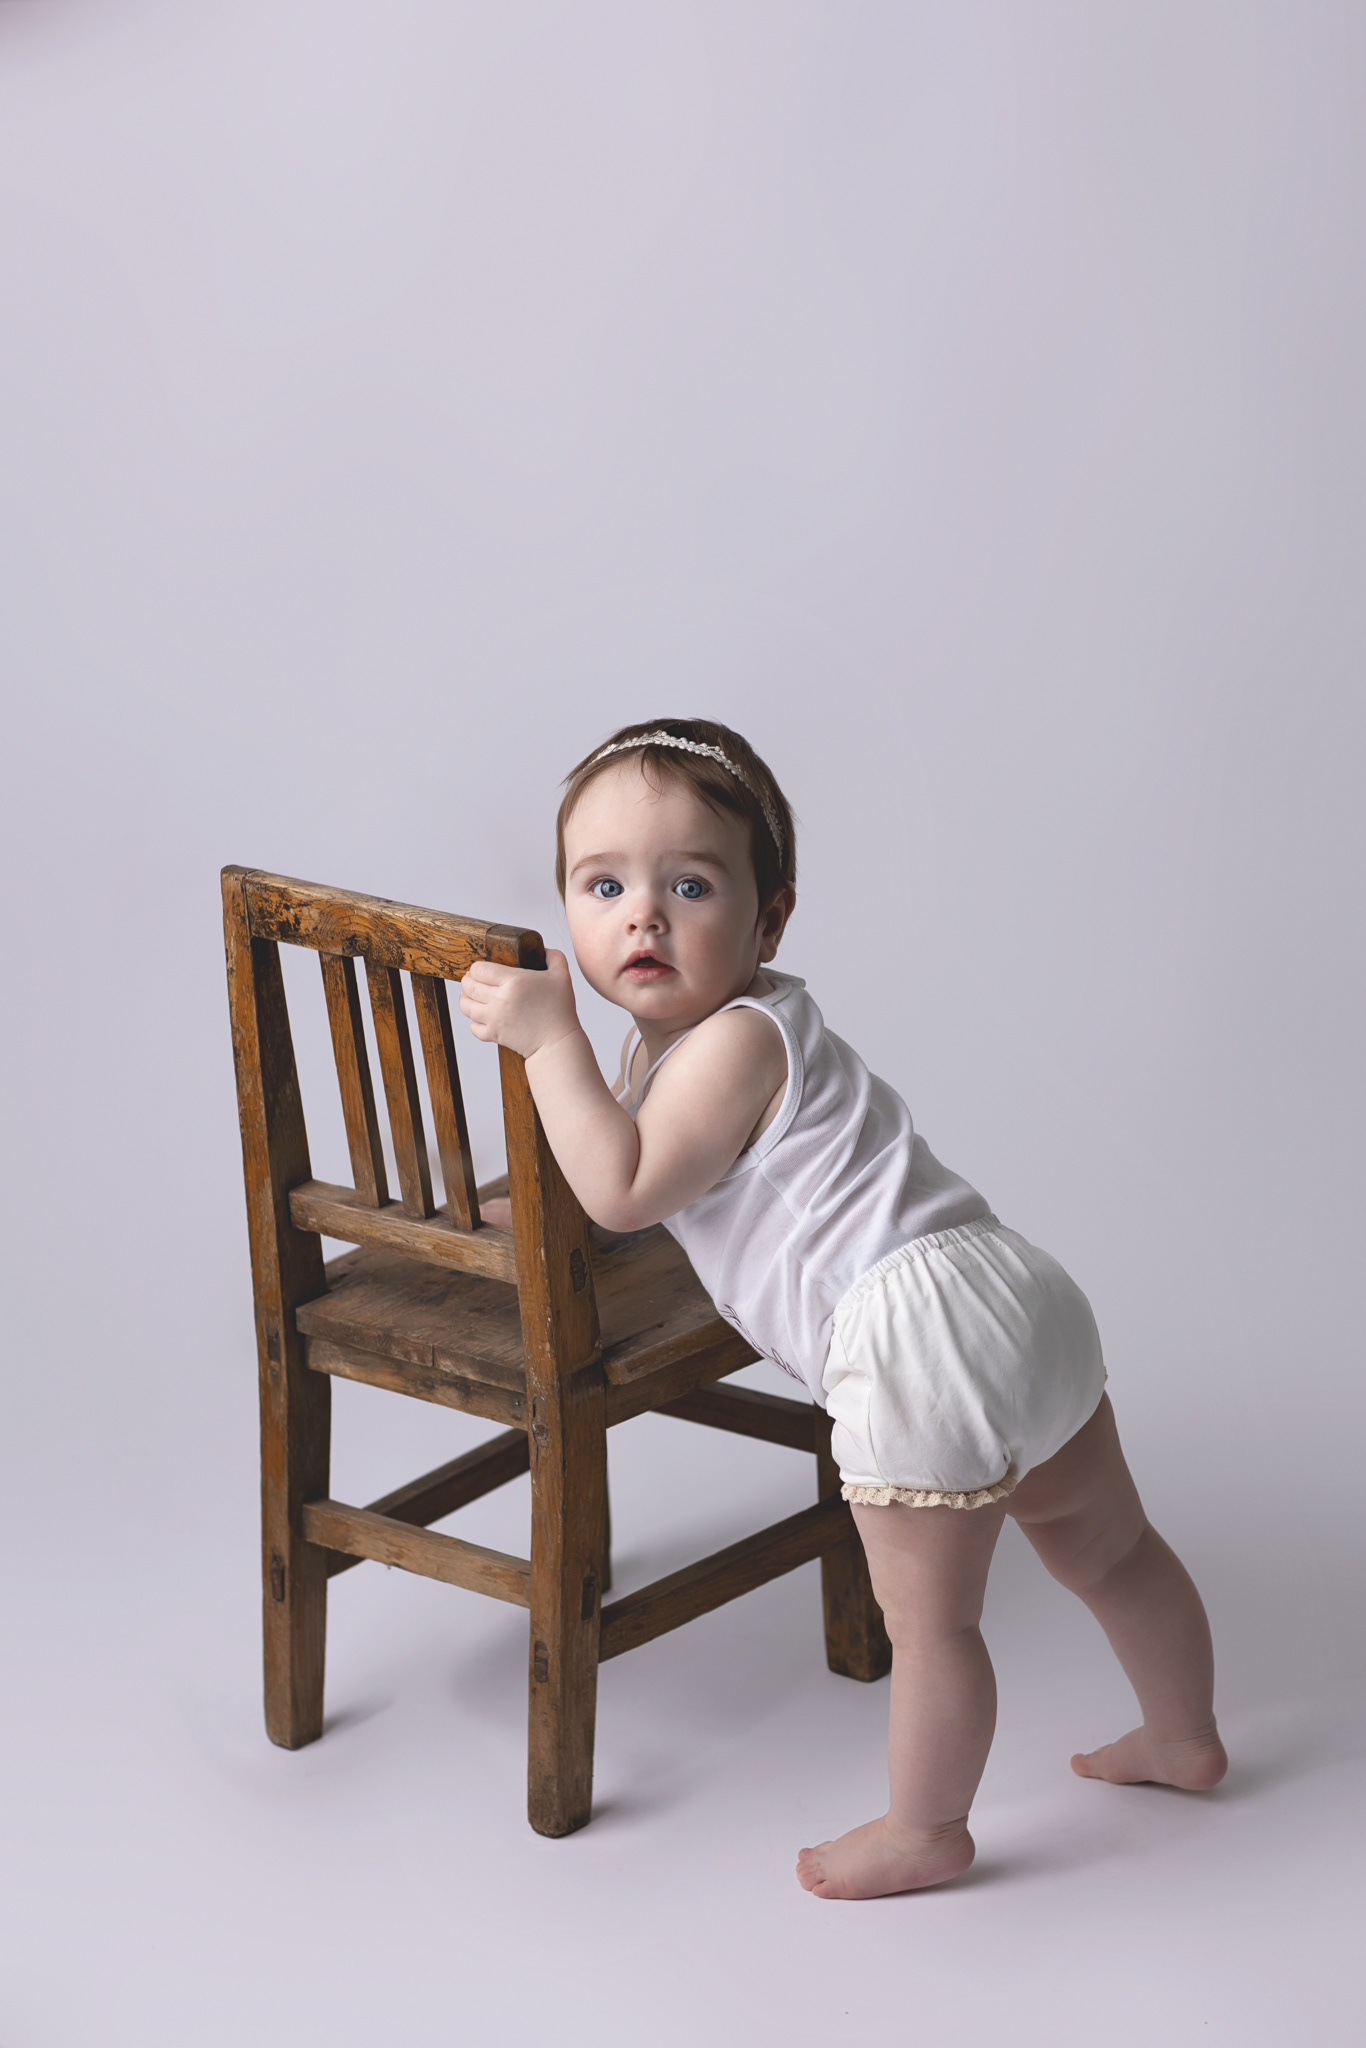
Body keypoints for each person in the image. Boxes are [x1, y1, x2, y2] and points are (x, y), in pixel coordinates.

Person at [459, 717, 1227, 1899]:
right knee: (1110, 1546)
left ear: (769, 919)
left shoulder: (732, 1044)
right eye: (604, 885)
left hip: (914, 1341)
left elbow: (624, 1189)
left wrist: (548, 1038)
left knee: (930, 1625)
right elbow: (636, 1165)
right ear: (566, 903)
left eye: (690, 885)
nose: (643, 917)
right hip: (1008, 1288)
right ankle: (1182, 1734)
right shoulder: (689, 1045)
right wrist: (543, 1193)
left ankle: (927, 1828)